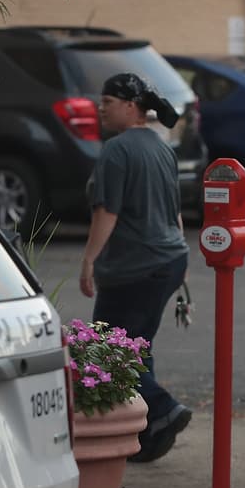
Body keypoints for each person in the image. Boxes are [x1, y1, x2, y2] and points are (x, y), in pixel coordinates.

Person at [79, 72, 192, 462]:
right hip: (169, 259)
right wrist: (183, 267)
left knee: (110, 351)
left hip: (134, 267)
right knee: (137, 344)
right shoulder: (162, 147)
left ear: (131, 106)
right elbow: (173, 210)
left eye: (107, 102)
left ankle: (162, 409)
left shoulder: (117, 149)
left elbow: (107, 212)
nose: (100, 108)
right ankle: (148, 435)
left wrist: (89, 260)